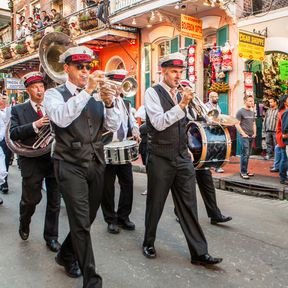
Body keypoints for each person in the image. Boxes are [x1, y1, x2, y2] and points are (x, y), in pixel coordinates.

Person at [44, 46, 121, 287]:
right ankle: (92, 280)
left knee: (87, 218)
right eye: (80, 67)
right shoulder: (53, 95)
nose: (85, 71)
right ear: (66, 68)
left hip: (96, 162)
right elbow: (62, 117)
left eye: (88, 67)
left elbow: (114, 126)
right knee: (79, 221)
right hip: (68, 164)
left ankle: (65, 255)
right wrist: (88, 90)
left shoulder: (96, 94)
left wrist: (109, 103)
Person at [143, 52, 222, 265]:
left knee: (189, 205)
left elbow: (185, 125)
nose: (178, 77)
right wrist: (181, 105)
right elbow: (159, 123)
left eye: (180, 72)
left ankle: (199, 252)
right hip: (160, 157)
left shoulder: (181, 95)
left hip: (181, 157)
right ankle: (148, 241)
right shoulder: (152, 93)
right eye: (174, 72)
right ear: (163, 72)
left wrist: (188, 147)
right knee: (156, 203)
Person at [9, 72, 61, 252]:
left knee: (55, 201)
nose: (40, 90)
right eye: (35, 87)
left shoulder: (53, 105)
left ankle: (51, 237)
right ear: (28, 90)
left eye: (42, 86)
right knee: (31, 199)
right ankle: (25, 221)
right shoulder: (18, 110)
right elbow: (13, 133)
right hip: (31, 160)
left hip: (54, 158)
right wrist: (35, 125)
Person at [179, 80, 232, 225]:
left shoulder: (197, 105)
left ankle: (215, 214)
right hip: (183, 149)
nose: (188, 92)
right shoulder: (177, 105)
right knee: (185, 185)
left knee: (207, 183)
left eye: (189, 89)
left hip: (199, 151)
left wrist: (216, 121)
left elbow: (207, 120)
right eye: (184, 90)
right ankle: (181, 213)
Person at [101, 70, 140, 234]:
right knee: (107, 186)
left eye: (120, 84)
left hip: (123, 148)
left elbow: (131, 121)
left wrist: (136, 131)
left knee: (127, 184)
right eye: (115, 84)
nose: (118, 88)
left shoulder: (126, 104)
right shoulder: (101, 102)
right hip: (107, 148)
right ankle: (110, 219)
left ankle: (124, 216)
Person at [235, 95, 256, 179]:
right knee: (245, 154)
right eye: (250, 101)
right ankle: (243, 172)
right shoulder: (240, 111)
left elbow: (254, 123)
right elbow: (237, 124)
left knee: (248, 155)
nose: (252, 102)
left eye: (252, 101)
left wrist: (255, 133)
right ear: (245, 101)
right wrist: (243, 134)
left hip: (251, 136)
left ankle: (245, 170)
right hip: (244, 136)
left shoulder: (252, 112)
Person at [205, 91, 224, 173]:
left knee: (218, 147)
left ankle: (217, 166)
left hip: (217, 129)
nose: (217, 98)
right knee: (210, 148)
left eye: (217, 96)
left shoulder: (218, 107)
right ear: (210, 97)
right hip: (209, 129)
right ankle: (208, 165)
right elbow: (205, 117)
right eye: (215, 96)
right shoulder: (206, 106)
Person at [0, 92, 12, 194]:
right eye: (1, 98)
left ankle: (4, 183)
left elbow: (10, 121)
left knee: (5, 162)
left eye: (3, 98)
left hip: (5, 140)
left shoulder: (9, 110)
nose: (2, 99)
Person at [275, 95, 288, 184]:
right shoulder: (284, 112)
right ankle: (283, 177)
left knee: (284, 157)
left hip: (282, 136)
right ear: (284, 102)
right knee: (284, 158)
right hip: (283, 137)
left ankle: (283, 176)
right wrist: (285, 135)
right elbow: (284, 128)